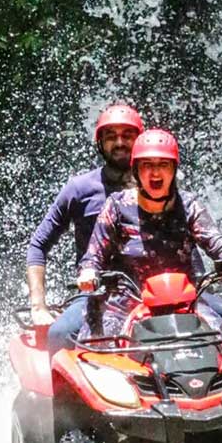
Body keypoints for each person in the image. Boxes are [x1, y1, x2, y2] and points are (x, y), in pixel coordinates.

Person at [76, 128, 222, 337]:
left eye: (163, 164)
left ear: (174, 169)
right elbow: (93, 256)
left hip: (184, 302)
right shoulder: (117, 206)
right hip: (126, 303)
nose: (155, 173)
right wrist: (88, 273)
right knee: (99, 347)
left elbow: (217, 243)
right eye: (147, 165)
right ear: (136, 170)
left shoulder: (188, 205)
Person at [26, 104, 144, 355]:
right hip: (97, 292)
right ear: (100, 143)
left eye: (127, 135)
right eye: (111, 136)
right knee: (60, 334)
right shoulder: (79, 189)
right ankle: (59, 382)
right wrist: (38, 307)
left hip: (152, 291)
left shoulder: (157, 184)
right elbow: (38, 245)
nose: (120, 143)